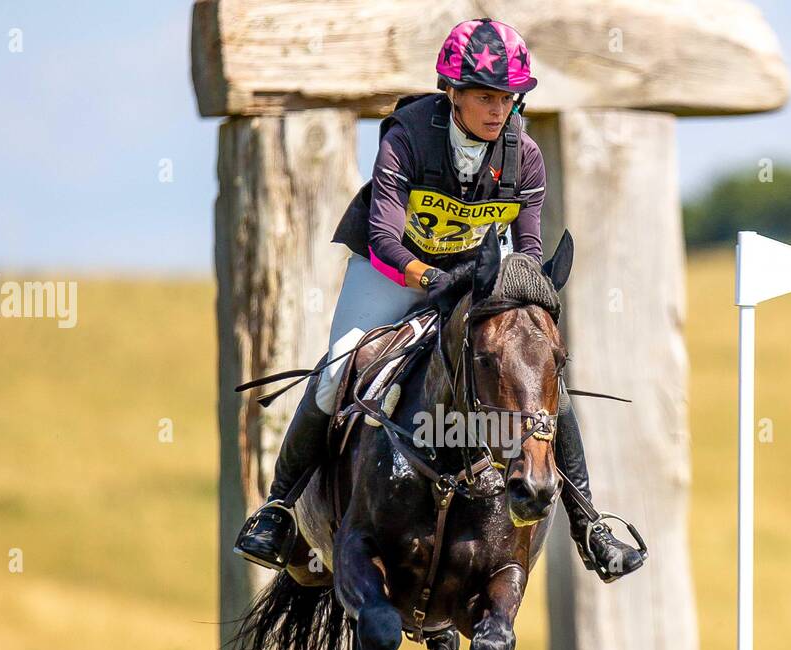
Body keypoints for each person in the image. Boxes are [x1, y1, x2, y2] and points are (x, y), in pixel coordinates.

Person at [234, 17, 645, 583]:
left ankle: (589, 525)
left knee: (548, 388)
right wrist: (429, 279)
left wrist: (522, 298)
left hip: (477, 277)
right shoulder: (407, 139)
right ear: (451, 92)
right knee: (335, 368)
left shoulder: (523, 157)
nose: (498, 109)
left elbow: (525, 249)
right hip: (395, 270)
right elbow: (382, 238)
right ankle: (278, 510)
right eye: (483, 95)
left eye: (507, 96)